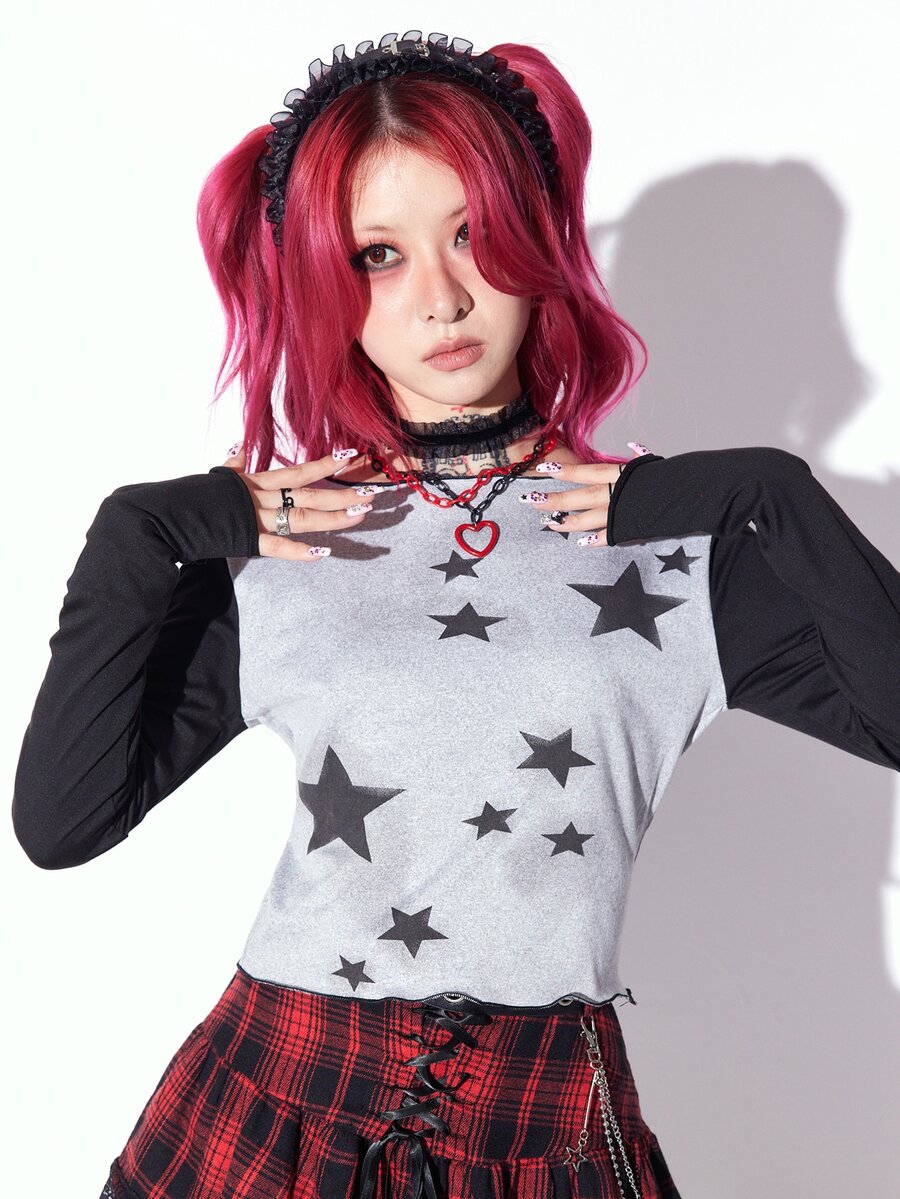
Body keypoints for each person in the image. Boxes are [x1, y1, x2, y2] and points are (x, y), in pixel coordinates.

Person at [11, 29, 900, 1199]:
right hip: (278, 1106)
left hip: (549, 1131)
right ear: (324, 283)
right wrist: (140, 529)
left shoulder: (684, 554)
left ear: (538, 237)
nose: (441, 297)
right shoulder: (292, 543)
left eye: (473, 233)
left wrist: (773, 494)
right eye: (378, 254)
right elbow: (62, 822)